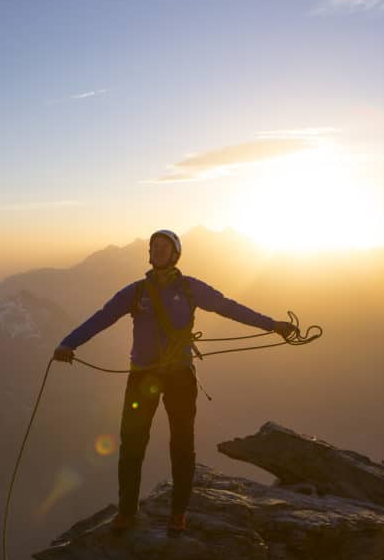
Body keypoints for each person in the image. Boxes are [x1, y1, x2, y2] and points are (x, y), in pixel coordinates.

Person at [53, 229, 295, 535]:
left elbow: (228, 307)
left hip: (179, 376)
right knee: (132, 444)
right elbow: (102, 317)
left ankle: (177, 514)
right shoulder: (136, 292)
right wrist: (69, 343)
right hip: (143, 376)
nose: (156, 251)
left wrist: (272, 325)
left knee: (181, 445)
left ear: (175, 253)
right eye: (153, 247)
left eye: (163, 247)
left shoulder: (191, 288)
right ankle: (127, 512)